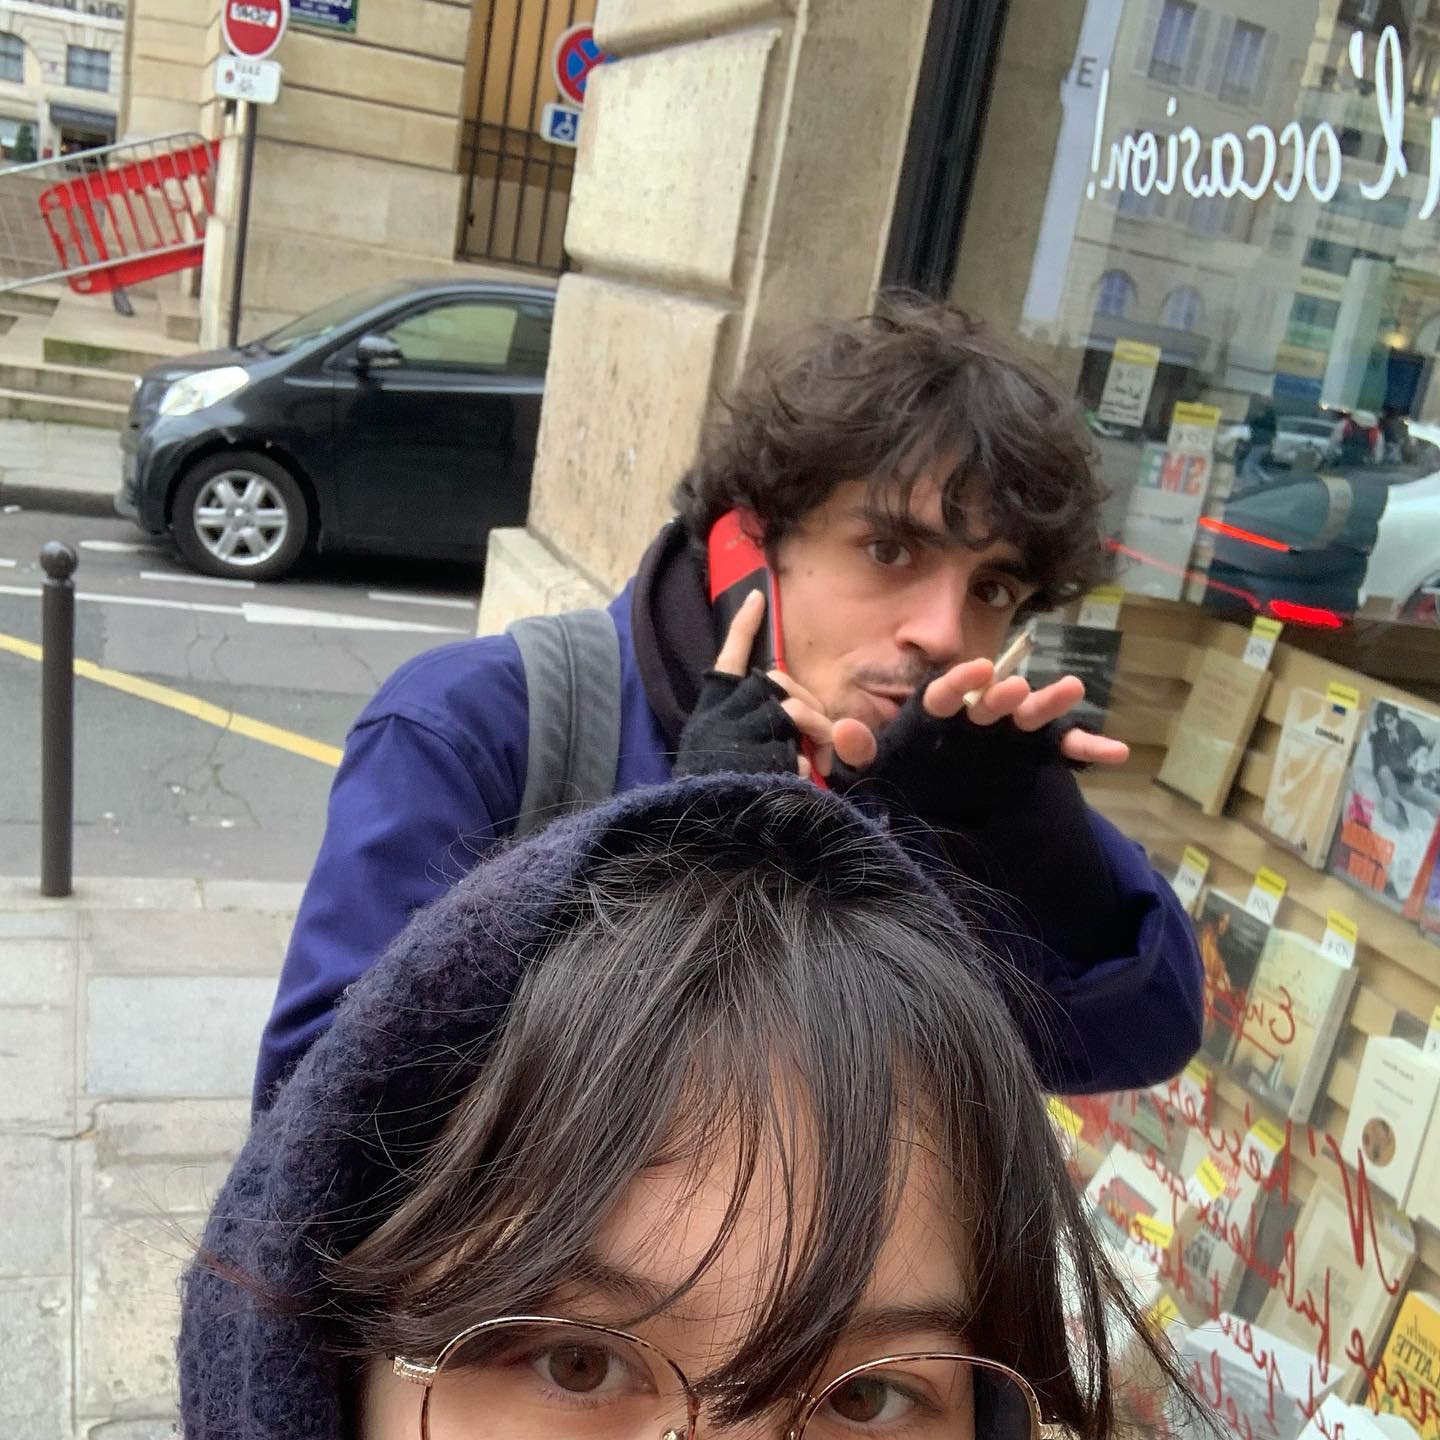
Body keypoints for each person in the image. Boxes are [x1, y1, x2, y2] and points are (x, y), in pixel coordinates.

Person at [251, 295, 1204, 1111]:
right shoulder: (479, 728)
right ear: (751, 545)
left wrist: (1034, 853)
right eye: (889, 551)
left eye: (992, 588)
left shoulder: (934, 788)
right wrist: (691, 876)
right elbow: (319, 1135)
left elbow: (1144, 1040)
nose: (947, 633)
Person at [180, 776, 1205, 1438]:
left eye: (864, 1399)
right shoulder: (460, 725)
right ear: (324, 1378)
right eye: (578, 1363)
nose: (934, 629)